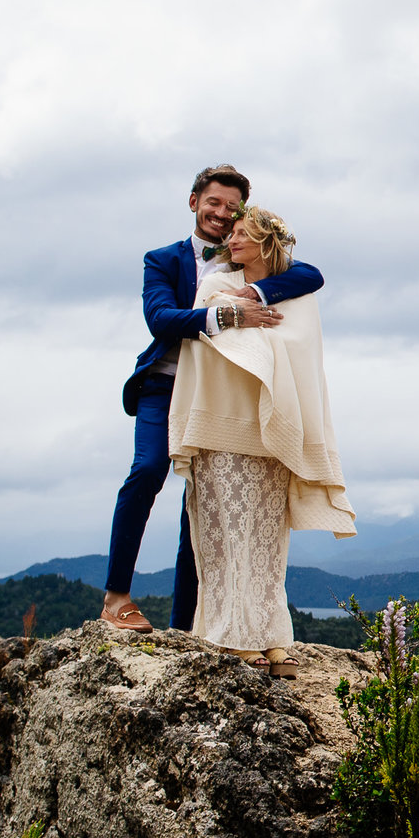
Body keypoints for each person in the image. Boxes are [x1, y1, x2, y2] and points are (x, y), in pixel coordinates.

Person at [100, 165, 324, 634]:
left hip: (219, 395)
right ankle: (116, 598)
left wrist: (257, 290)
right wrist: (227, 314)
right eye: (213, 203)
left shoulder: (247, 259)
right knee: (146, 470)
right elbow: (161, 319)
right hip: (165, 385)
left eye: (231, 208)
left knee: (201, 507)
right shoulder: (162, 259)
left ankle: (186, 628)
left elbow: (311, 274)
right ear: (193, 202)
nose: (221, 214)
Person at [168, 204, 355, 670]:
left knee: (268, 542)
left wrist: (253, 303)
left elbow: (299, 347)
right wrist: (237, 314)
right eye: (230, 234)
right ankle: (233, 637)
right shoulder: (213, 286)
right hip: (222, 425)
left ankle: (274, 639)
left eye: (243, 234)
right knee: (225, 537)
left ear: (266, 242)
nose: (232, 241)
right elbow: (215, 343)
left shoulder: (296, 291)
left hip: (272, 431)